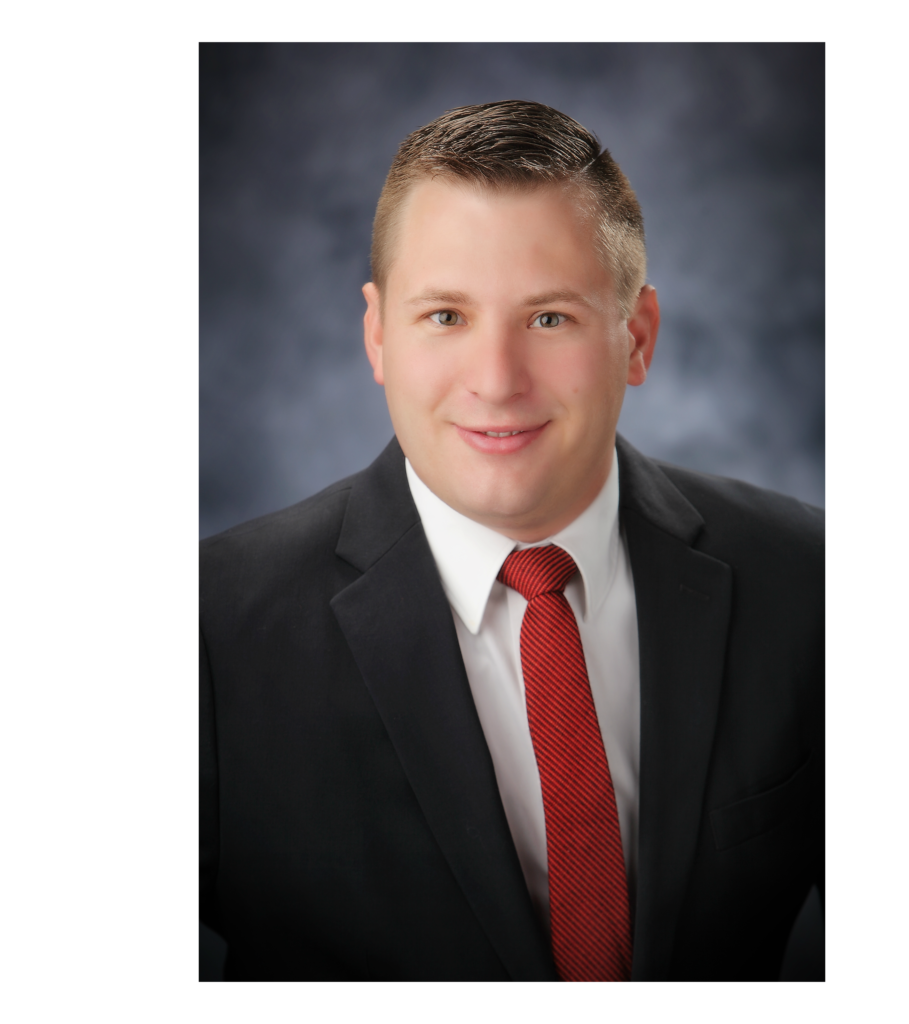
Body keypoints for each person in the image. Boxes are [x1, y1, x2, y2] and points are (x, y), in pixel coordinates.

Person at [199, 100, 824, 981]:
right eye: (445, 316)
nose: (496, 382)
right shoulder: (211, 629)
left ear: (636, 337)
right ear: (378, 335)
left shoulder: (811, 580)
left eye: (549, 319)